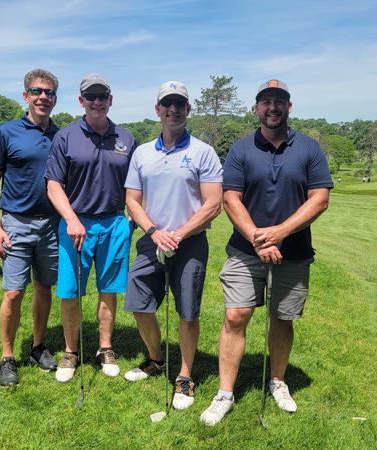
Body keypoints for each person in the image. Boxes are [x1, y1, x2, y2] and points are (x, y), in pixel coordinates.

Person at [200, 79, 333, 425]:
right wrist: (259, 239)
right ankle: (225, 393)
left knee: (282, 317)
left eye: (279, 101)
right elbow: (231, 198)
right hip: (246, 250)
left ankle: (277, 382)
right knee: (235, 316)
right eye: (266, 102)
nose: (272, 107)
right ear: (257, 108)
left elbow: (319, 198)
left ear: (290, 107)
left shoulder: (309, 148)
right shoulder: (242, 149)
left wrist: (279, 234)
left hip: (294, 252)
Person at [123, 81, 223, 411]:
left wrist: (178, 233)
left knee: (188, 311)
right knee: (139, 303)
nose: (173, 109)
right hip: (152, 241)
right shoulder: (142, 153)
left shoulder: (202, 151)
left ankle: (184, 375)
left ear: (188, 109)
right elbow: (132, 201)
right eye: (167, 103)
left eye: (180, 103)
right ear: (157, 109)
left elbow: (213, 204)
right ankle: (155, 359)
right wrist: (154, 232)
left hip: (189, 243)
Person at [46, 74, 137, 382]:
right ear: (81, 101)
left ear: (110, 100)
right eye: (91, 96)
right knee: (70, 291)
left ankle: (105, 348)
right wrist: (71, 219)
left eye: (102, 96)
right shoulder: (66, 136)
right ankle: (71, 351)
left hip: (114, 222)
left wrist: (135, 215)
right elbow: (54, 184)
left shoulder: (126, 139)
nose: (97, 102)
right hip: (76, 223)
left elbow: (136, 185)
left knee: (109, 289)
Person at [0, 69, 60, 387]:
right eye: (37, 91)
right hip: (16, 223)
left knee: (44, 288)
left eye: (50, 93)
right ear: (26, 95)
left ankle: (38, 346)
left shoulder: (61, 135)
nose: (43, 97)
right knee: (14, 292)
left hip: (52, 225)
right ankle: (7, 356)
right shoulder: (7, 132)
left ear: (55, 98)